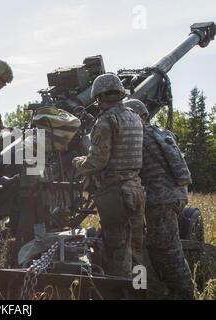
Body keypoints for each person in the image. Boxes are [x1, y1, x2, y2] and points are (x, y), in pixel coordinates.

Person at [72, 74, 145, 278]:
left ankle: (118, 291)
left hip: (115, 193)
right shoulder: (135, 117)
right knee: (136, 247)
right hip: (136, 188)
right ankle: (139, 290)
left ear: (99, 96)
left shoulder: (106, 121)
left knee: (116, 248)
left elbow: (98, 161)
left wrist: (79, 163)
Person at [126, 98, 194, 299]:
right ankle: (165, 291)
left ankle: (185, 294)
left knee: (168, 251)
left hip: (160, 200)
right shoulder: (159, 133)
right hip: (175, 195)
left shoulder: (139, 137)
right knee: (157, 246)